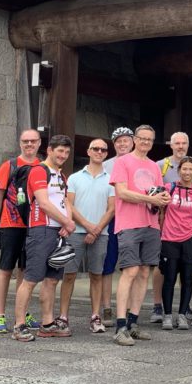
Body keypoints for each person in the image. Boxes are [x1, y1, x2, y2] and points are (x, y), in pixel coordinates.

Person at [11, 134, 76, 342]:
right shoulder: (39, 171)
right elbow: (44, 203)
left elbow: (65, 202)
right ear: (49, 150)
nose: (63, 156)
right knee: (31, 279)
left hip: (58, 232)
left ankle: (47, 323)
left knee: (52, 280)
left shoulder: (60, 175)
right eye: (59, 151)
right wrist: (67, 222)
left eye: (66, 152)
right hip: (40, 230)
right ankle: (19, 324)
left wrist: (67, 223)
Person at [110, 124, 171, 346]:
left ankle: (133, 322)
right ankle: (120, 326)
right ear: (134, 139)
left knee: (145, 271)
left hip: (151, 223)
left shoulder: (155, 167)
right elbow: (122, 192)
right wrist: (151, 199)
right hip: (129, 223)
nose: (145, 142)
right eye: (142, 138)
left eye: (149, 139)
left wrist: (163, 199)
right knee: (130, 270)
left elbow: (160, 192)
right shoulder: (123, 161)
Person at [60, 138, 115, 334]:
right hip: (77, 231)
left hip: (101, 233)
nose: (99, 152)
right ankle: (63, 316)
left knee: (97, 275)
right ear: (89, 151)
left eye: (103, 149)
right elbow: (69, 205)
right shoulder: (74, 177)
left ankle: (95, 315)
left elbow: (111, 209)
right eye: (96, 149)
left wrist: (97, 229)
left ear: (106, 154)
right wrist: (87, 226)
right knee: (69, 275)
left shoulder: (111, 179)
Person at [0, 129, 42, 334]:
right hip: (11, 224)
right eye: (25, 141)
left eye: (33, 141)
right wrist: (8, 218)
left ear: (39, 143)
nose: (29, 144)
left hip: (34, 225)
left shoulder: (42, 166)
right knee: (5, 268)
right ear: (20, 143)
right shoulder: (9, 166)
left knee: (25, 270)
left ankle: (23, 313)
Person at [149, 132, 192, 324]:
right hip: (167, 234)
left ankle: (183, 310)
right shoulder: (160, 168)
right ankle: (160, 307)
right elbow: (155, 201)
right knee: (165, 272)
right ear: (170, 145)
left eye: (184, 143)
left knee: (186, 275)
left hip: (188, 235)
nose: (180, 146)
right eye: (177, 143)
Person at [158, 156, 192, 330]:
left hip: (190, 239)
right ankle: (168, 315)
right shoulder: (169, 188)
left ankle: (183, 314)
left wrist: (191, 228)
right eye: (184, 169)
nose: (187, 172)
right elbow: (160, 210)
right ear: (179, 171)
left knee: (187, 278)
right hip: (169, 238)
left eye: (190, 169)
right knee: (169, 278)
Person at [98, 127, 133, 326]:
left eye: (126, 140)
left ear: (132, 142)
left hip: (132, 218)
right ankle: (107, 307)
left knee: (131, 265)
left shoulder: (138, 162)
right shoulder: (105, 165)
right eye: (118, 141)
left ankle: (127, 306)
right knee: (107, 264)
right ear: (114, 144)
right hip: (112, 217)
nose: (122, 144)